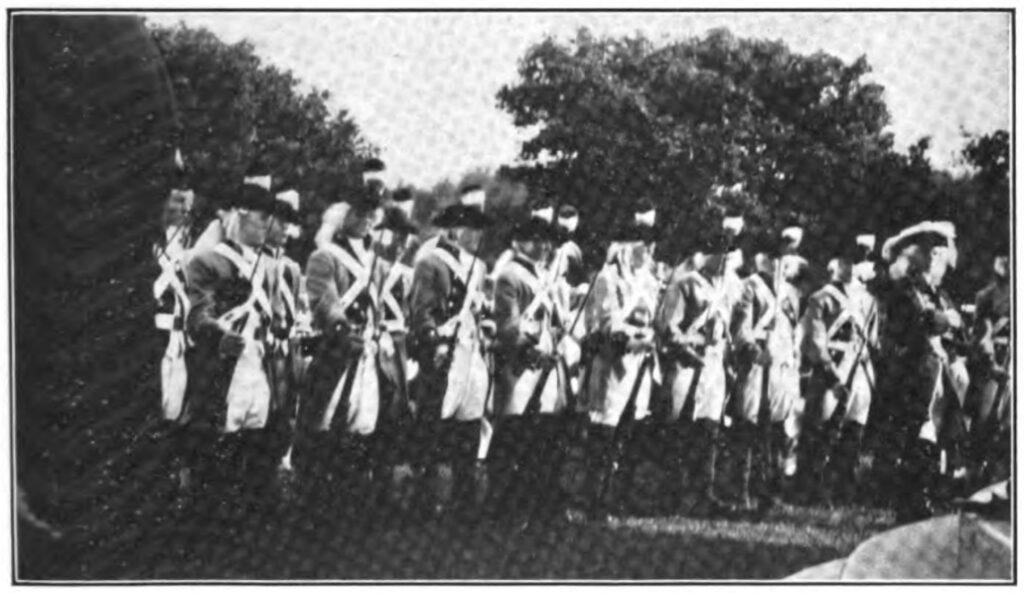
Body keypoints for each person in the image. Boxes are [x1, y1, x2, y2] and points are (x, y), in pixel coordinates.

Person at [182, 173, 278, 514]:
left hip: (259, 368)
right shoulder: (207, 261)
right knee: (218, 449)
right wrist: (219, 336)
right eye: (262, 218)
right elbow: (197, 315)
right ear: (240, 217)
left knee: (255, 444)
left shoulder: (268, 266)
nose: (268, 225)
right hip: (225, 368)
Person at [295, 187, 386, 521]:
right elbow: (325, 303)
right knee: (324, 426)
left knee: (362, 427)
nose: (364, 220)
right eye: (358, 214)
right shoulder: (325, 257)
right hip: (336, 354)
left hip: (367, 355)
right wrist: (344, 330)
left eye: (369, 214)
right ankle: (316, 506)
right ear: (343, 216)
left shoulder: (375, 261)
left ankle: (354, 503)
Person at [408, 191, 493, 521]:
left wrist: (486, 326)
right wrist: (434, 343)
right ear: (452, 231)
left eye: (478, 228)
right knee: (432, 427)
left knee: (469, 426)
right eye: (469, 228)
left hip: (472, 353)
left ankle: (464, 498)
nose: (476, 235)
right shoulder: (431, 263)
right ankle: (423, 499)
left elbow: (479, 309)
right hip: (443, 352)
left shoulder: (480, 268)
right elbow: (421, 312)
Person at [878, 221, 966, 523]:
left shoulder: (936, 292)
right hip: (915, 371)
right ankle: (910, 504)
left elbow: (958, 330)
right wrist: (949, 319)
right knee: (916, 433)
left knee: (930, 436)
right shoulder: (908, 288)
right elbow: (924, 321)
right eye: (937, 255)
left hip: (935, 370)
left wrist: (950, 321)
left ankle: (921, 499)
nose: (940, 262)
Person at [655, 216, 743, 517]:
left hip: (715, 364)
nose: (724, 259)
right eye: (719, 252)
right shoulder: (686, 284)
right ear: (708, 254)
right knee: (682, 428)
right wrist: (688, 349)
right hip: (688, 364)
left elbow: (733, 327)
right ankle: (674, 495)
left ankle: (704, 493)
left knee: (710, 429)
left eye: (728, 254)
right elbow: (669, 326)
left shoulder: (733, 287)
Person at [486, 213, 569, 529]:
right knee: (510, 440)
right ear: (520, 242)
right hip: (519, 368)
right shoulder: (510, 276)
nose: (545, 246)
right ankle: (503, 509)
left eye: (547, 241)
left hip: (544, 367)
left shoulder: (545, 277)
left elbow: (553, 322)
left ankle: (537, 508)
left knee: (540, 442)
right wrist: (529, 349)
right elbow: (507, 325)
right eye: (537, 240)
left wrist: (556, 338)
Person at [582, 203, 661, 521]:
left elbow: (654, 317)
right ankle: (595, 500)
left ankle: (621, 496)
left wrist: (650, 338)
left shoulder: (650, 280)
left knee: (630, 433)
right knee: (604, 433)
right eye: (643, 243)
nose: (649, 249)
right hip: (614, 362)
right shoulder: (607, 278)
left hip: (641, 364)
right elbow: (606, 322)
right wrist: (631, 337)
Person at [730, 231, 805, 512]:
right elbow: (739, 329)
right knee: (749, 430)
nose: (781, 264)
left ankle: (770, 493)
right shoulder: (749, 287)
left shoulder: (790, 293)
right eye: (776, 258)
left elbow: (792, 331)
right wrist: (752, 351)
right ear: (764, 260)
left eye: (785, 259)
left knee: (776, 432)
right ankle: (742, 492)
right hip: (756, 367)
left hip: (781, 370)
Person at [799, 244, 877, 506]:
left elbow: (874, 341)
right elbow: (815, 338)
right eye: (848, 260)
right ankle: (812, 488)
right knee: (821, 431)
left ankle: (844, 487)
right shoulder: (821, 298)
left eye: (858, 261)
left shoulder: (869, 300)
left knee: (853, 432)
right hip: (831, 370)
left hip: (861, 371)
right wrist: (831, 371)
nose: (852, 267)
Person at [368, 199, 420, 515]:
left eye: (403, 236)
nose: (398, 241)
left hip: (399, 344)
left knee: (396, 412)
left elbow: (411, 312)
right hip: (375, 343)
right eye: (392, 234)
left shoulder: (407, 273)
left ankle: (388, 484)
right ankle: (373, 484)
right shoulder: (369, 267)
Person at [264, 186, 310, 475]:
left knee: (285, 415)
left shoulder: (292, 269)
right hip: (264, 349)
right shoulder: (259, 263)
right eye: (281, 220)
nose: (286, 228)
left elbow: (297, 310)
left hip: (287, 351)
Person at [965, 250, 1010, 486]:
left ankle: (1002, 479)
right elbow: (981, 335)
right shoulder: (986, 296)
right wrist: (991, 363)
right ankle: (974, 479)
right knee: (985, 422)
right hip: (995, 364)